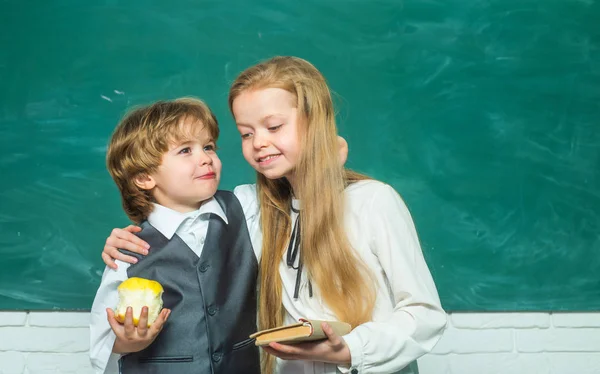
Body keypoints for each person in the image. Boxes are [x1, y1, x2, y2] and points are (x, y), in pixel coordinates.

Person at [101, 56, 447, 374]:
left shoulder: (373, 202)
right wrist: (132, 237)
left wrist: (349, 350)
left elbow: (425, 315)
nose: (258, 143)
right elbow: (186, 217)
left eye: (274, 126)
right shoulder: (262, 213)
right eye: (246, 133)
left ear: (314, 121)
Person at [89, 98, 260, 374]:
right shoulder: (127, 251)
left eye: (208, 147)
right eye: (185, 151)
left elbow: (301, 189)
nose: (205, 158)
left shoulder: (247, 208)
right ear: (144, 177)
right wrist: (127, 342)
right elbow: (101, 345)